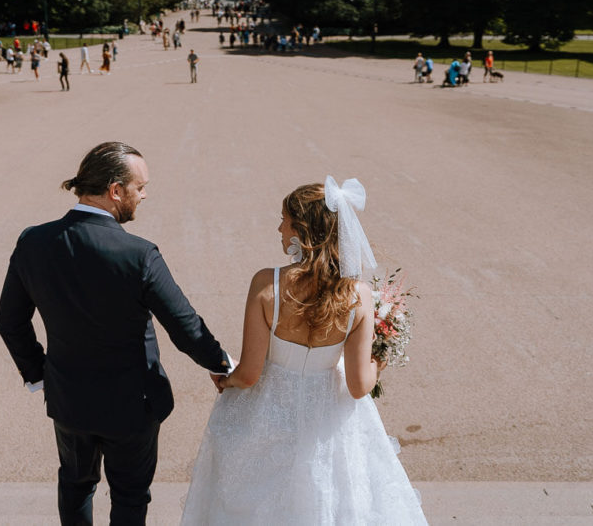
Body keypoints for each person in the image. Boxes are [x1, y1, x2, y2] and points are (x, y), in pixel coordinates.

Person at [0, 142, 232, 525]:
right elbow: (184, 326)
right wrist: (222, 364)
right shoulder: (138, 253)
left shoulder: (32, 241)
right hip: (132, 406)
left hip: (68, 400)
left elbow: (10, 320)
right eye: (140, 187)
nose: (145, 195)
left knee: (75, 487)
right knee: (130, 496)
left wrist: (40, 375)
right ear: (115, 190)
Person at [181, 178, 427, 525]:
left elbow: (250, 374)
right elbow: (359, 386)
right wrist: (380, 360)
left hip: (268, 415)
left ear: (302, 229)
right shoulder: (358, 296)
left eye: (284, 219)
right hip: (329, 420)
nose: (279, 227)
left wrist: (227, 379)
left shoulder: (267, 285)